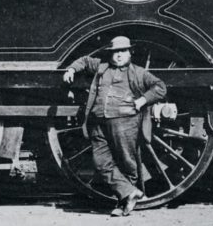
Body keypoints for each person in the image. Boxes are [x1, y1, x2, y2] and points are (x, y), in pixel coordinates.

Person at [62, 36, 166, 216]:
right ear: (110, 54)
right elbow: (85, 60)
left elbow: (160, 87)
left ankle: (123, 202)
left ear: (130, 53)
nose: (118, 56)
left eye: (123, 51)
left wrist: (143, 99)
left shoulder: (138, 72)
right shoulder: (101, 67)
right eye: (115, 52)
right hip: (99, 122)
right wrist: (71, 69)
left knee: (126, 161)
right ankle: (129, 192)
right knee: (100, 162)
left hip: (125, 122)